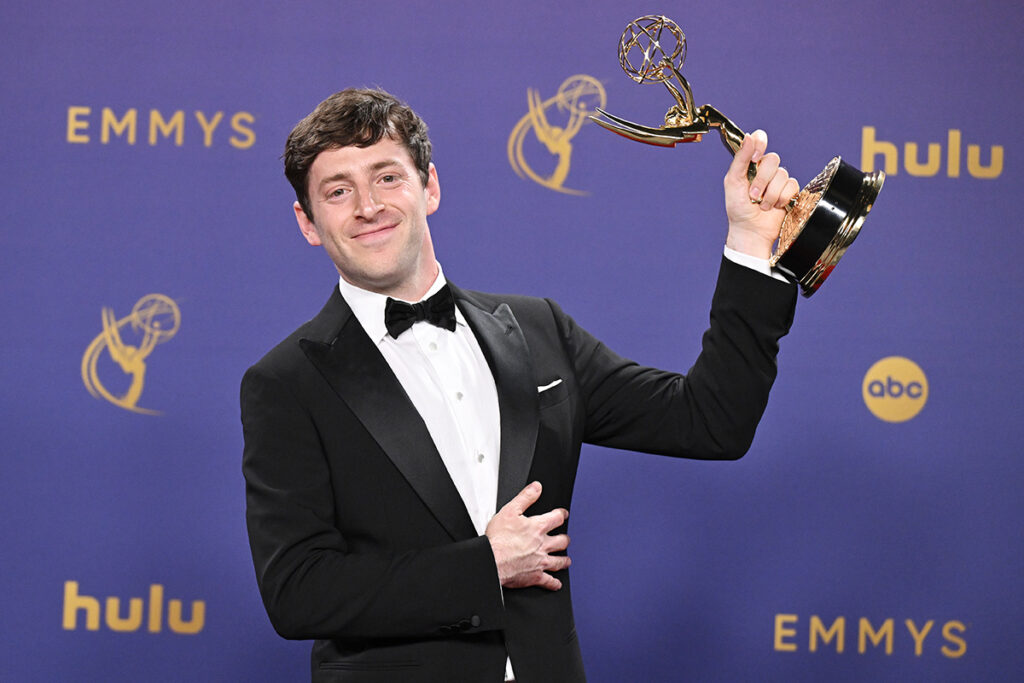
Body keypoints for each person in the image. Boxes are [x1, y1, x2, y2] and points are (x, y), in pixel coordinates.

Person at [241, 88, 799, 683]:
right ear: (308, 222)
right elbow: (299, 592)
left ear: (429, 186)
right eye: (338, 190)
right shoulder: (287, 383)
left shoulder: (539, 332)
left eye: (386, 177)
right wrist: (483, 567)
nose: (368, 206)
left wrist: (750, 245)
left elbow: (710, 421)